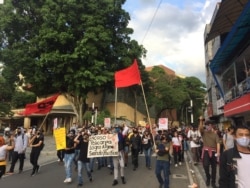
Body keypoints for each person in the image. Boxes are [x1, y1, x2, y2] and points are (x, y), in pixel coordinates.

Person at [198, 117, 220, 188]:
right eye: (207, 125)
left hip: (214, 152)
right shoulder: (204, 133)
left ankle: (213, 182)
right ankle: (208, 177)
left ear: (212, 126)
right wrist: (201, 121)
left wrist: (218, 152)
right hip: (206, 151)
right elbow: (200, 128)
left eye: (210, 125)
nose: (208, 126)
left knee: (214, 168)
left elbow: (218, 144)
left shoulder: (215, 135)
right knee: (206, 165)